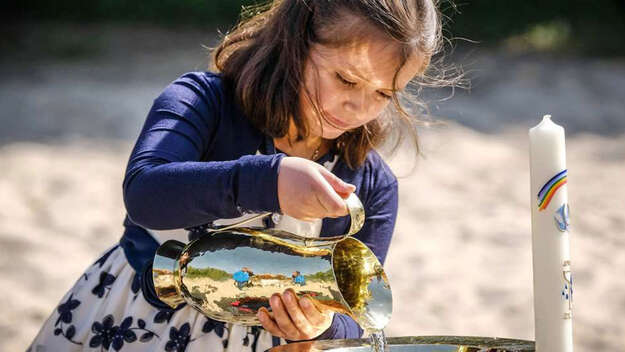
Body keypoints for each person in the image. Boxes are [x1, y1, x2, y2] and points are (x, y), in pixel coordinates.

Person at [28, 0, 446, 350]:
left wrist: (319, 327)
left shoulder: (371, 184)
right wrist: (267, 181)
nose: (357, 107)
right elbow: (144, 192)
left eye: (382, 94)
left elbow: (363, 319)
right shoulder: (203, 102)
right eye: (346, 79)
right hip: (139, 325)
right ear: (297, 41)